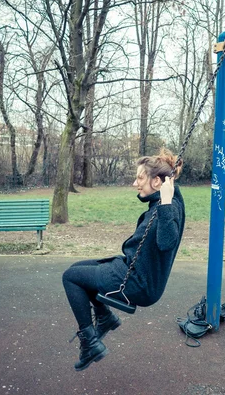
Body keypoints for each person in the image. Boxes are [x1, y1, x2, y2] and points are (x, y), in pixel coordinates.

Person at [62, 148, 185, 371]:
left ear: (157, 182)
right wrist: (167, 188)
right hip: (132, 270)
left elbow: (167, 243)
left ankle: (90, 343)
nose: (135, 183)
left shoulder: (169, 206)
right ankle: (104, 317)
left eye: (140, 177)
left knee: (71, 278)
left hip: (138, 283)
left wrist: (166, 202)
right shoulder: (168, 198)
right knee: (79, 269)